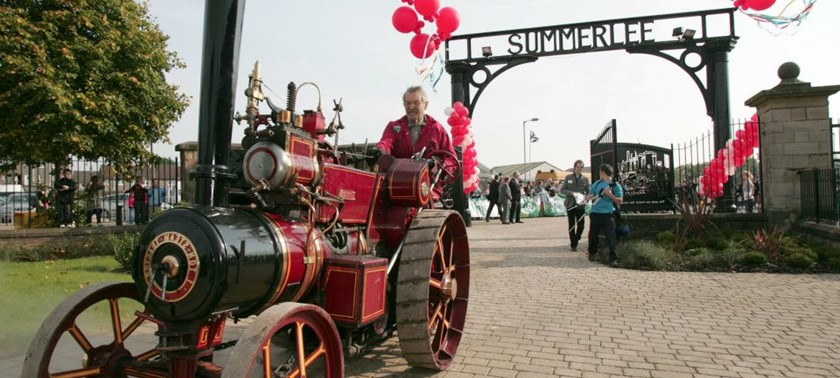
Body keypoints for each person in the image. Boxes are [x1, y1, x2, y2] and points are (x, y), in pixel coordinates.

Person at [375, 86, 457, 200]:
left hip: (427, 187)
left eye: (416, 103)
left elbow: (451, 160)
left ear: (425, 105)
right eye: (407, 103)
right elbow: (386, 142)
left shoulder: (437, 129)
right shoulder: (393, 127)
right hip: (396, 185)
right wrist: (379, 150)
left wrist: (435, 165)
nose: (411, 107)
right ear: (403, 105)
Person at [586, 164, 623, 264]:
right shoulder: (597, 183)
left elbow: (619, 201)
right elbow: (590, 194)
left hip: (608, 214)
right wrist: (590, 197)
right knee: (593, 235)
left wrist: (609, 194)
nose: (599, 174)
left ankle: (613, 259)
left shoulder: (615, 185)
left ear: (603, 173)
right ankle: (592, 253)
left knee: (611, 236)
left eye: (600, 172)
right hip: (595, 213)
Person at [561, 160, 591, 251]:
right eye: (578, 167)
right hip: (570, 204)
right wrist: (572, 193)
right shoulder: (568, 177)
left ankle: (577, 238)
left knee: (581, 225)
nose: (579, 169)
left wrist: (586, 198)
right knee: (571, 224)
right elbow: (562, 190)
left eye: (581, 167)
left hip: (580, 205)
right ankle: (573, 244)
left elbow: (589, 191)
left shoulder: (585, 179)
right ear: (574, 167)